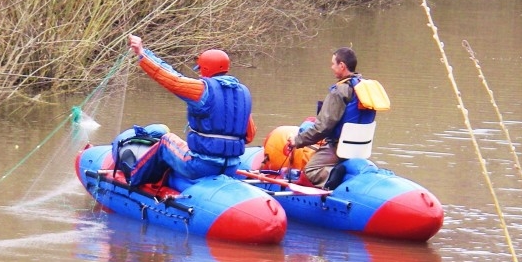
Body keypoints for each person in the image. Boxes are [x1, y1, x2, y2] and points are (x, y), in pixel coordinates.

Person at [125, 34, 256, 185]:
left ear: (206, 69)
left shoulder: (202, 89)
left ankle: (133, 182)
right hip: (231, 167)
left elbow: (172, 79)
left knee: (166, 141)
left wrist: (142, 53)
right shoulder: (243, 94)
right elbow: (249, 136)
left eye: (200, 70)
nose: (200, 74)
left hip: (201, 166)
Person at [285, 47, 373, 188]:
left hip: (339, 148)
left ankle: (333, 175)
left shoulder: (339, 91)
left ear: (342, 65)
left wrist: (297, 141)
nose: (331, 67)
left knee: (310, 171)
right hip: (361, 148)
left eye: (333, 64)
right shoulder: (364, 89)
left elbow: (323, 127)